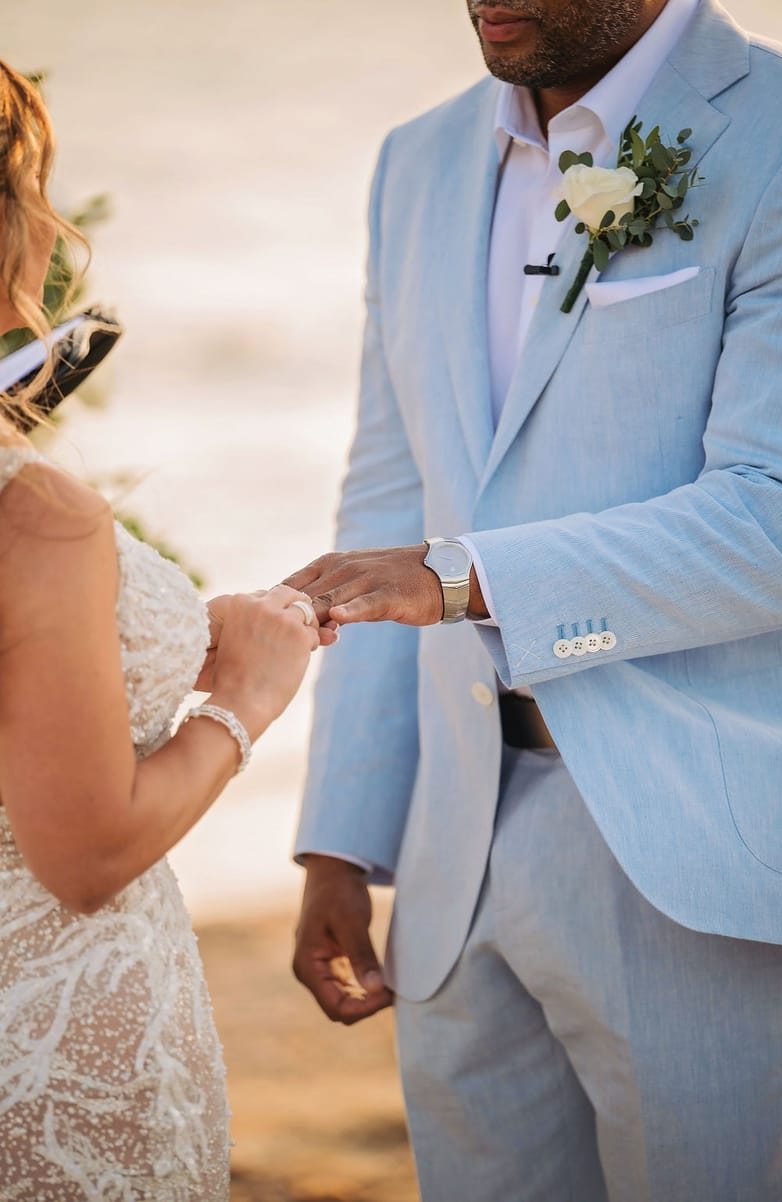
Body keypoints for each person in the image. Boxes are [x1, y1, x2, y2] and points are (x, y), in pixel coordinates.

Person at [288, 1, 782, 1199]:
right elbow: (386, 493)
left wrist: (462, 578)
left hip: (689, 846)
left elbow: (777, 515)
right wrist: (340, 839)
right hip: (451, 839)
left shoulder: (781, 135)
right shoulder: (413, 162)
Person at [0, 61, 335, 1200]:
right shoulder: (32, 514)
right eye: (31, 190)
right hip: (55, 1053)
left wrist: (117, 647)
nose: (55, 228)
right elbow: (86, 851)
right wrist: (241, 694)